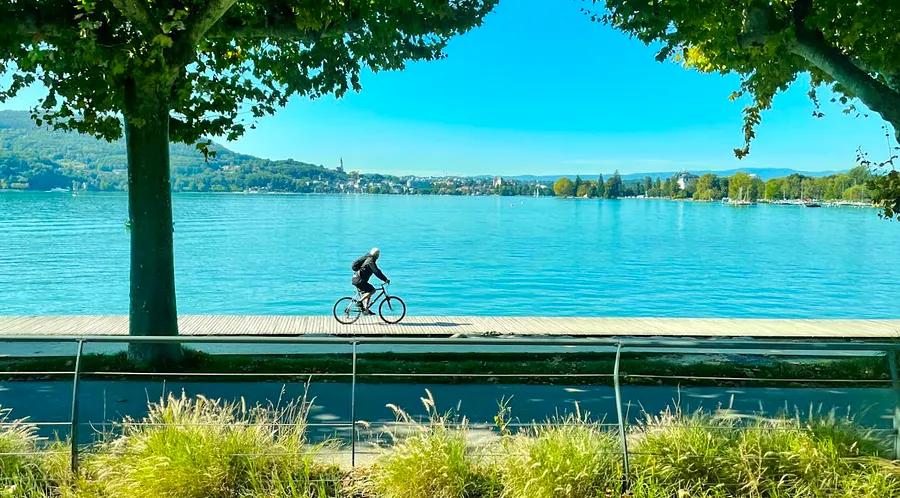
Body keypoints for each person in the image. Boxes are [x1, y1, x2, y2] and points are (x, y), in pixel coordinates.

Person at [351, 247, 389, 314]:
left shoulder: (367, 258)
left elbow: (377, 271)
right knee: (372, 290)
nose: (379, 256)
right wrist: (385, 279)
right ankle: (359, 302)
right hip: (359, 280)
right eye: (378, 254)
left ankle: (366, 309)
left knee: (368, 292)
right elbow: (377, 272)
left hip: (356, 278)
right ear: (376, 255)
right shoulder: (371, 261)